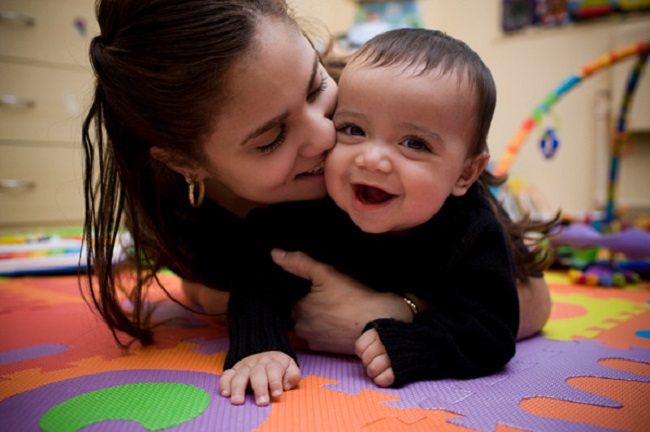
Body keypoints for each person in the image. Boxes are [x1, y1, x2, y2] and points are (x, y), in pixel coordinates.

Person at [81, 0, 553, 407]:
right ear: (186, 164)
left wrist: (394, 311)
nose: (327, 134)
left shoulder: (378, 97)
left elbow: (528, 301)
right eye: (271, 138)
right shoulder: (174, 210)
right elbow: (212, 286)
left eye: (314, 90)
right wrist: (244, 316)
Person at [221, 27, 557, 398]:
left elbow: (492, 330)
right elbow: (257, 280)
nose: (372, 158)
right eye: (353, 129)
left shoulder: (472, 231)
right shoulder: (312, 208)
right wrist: (260, 347)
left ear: (465, 173)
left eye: (414, 143)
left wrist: (415, 341)